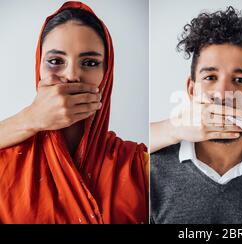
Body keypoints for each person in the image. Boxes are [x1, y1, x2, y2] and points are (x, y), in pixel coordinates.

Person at [0, 1, 148, 224]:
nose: (72, 76)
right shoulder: (5, 163)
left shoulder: (138, 166)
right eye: (55, 61)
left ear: (106, 76)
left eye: (89, 62)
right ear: (38, 68)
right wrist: (29, 119)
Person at [150, 6, 242, 224]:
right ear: (192, 90)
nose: (222, 94)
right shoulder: (151, 172)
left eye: (240, 80)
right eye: (210, 77)